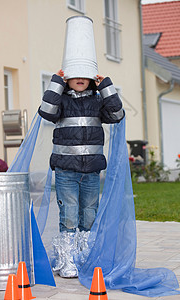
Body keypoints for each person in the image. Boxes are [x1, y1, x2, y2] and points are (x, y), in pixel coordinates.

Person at [38, 69, 124, 277]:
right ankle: (66, 259)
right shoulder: (61, 102)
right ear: (67, 79)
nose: (79, 79)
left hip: (91, 171)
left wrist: (106, 87)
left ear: (92, 79)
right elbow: (46, 111)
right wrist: (57, 82)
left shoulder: (97, 102)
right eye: (74, 75)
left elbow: (117, 115)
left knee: (89, 213)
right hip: (66, 170)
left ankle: (84, 257)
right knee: (68, 213)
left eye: (85, 75)